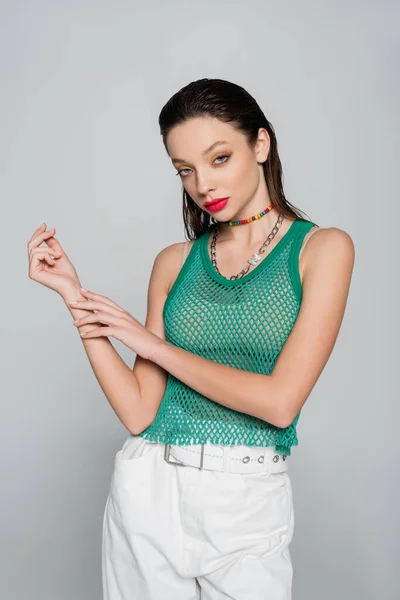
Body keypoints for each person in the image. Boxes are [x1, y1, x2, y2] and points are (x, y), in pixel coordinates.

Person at [27, 78, 355, 600]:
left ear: (261, 145)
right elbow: (138, 412)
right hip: (148, 488)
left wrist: (153, 345)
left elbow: (280, 402)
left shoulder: (322, 249)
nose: (202, 183)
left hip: (245, 497)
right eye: (185, 170)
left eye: (219, 158)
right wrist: (73, 296)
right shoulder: (174, 263)